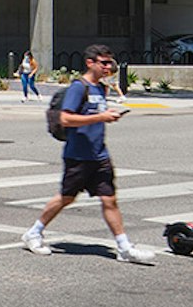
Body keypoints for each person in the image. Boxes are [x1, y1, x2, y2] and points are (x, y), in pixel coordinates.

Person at [22, 42, 155, 263]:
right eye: (103, 63)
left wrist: (108, 114)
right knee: (66, 197)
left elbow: (94, 114)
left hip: (99, 155)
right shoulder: (79, 87)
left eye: (110, 63)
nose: (108, 67)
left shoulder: (100, 88)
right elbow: (66, 118)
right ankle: (33, 233)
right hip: (78, 156)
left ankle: (124, 248)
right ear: (90, 63)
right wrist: (101, 117)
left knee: (109, 200)